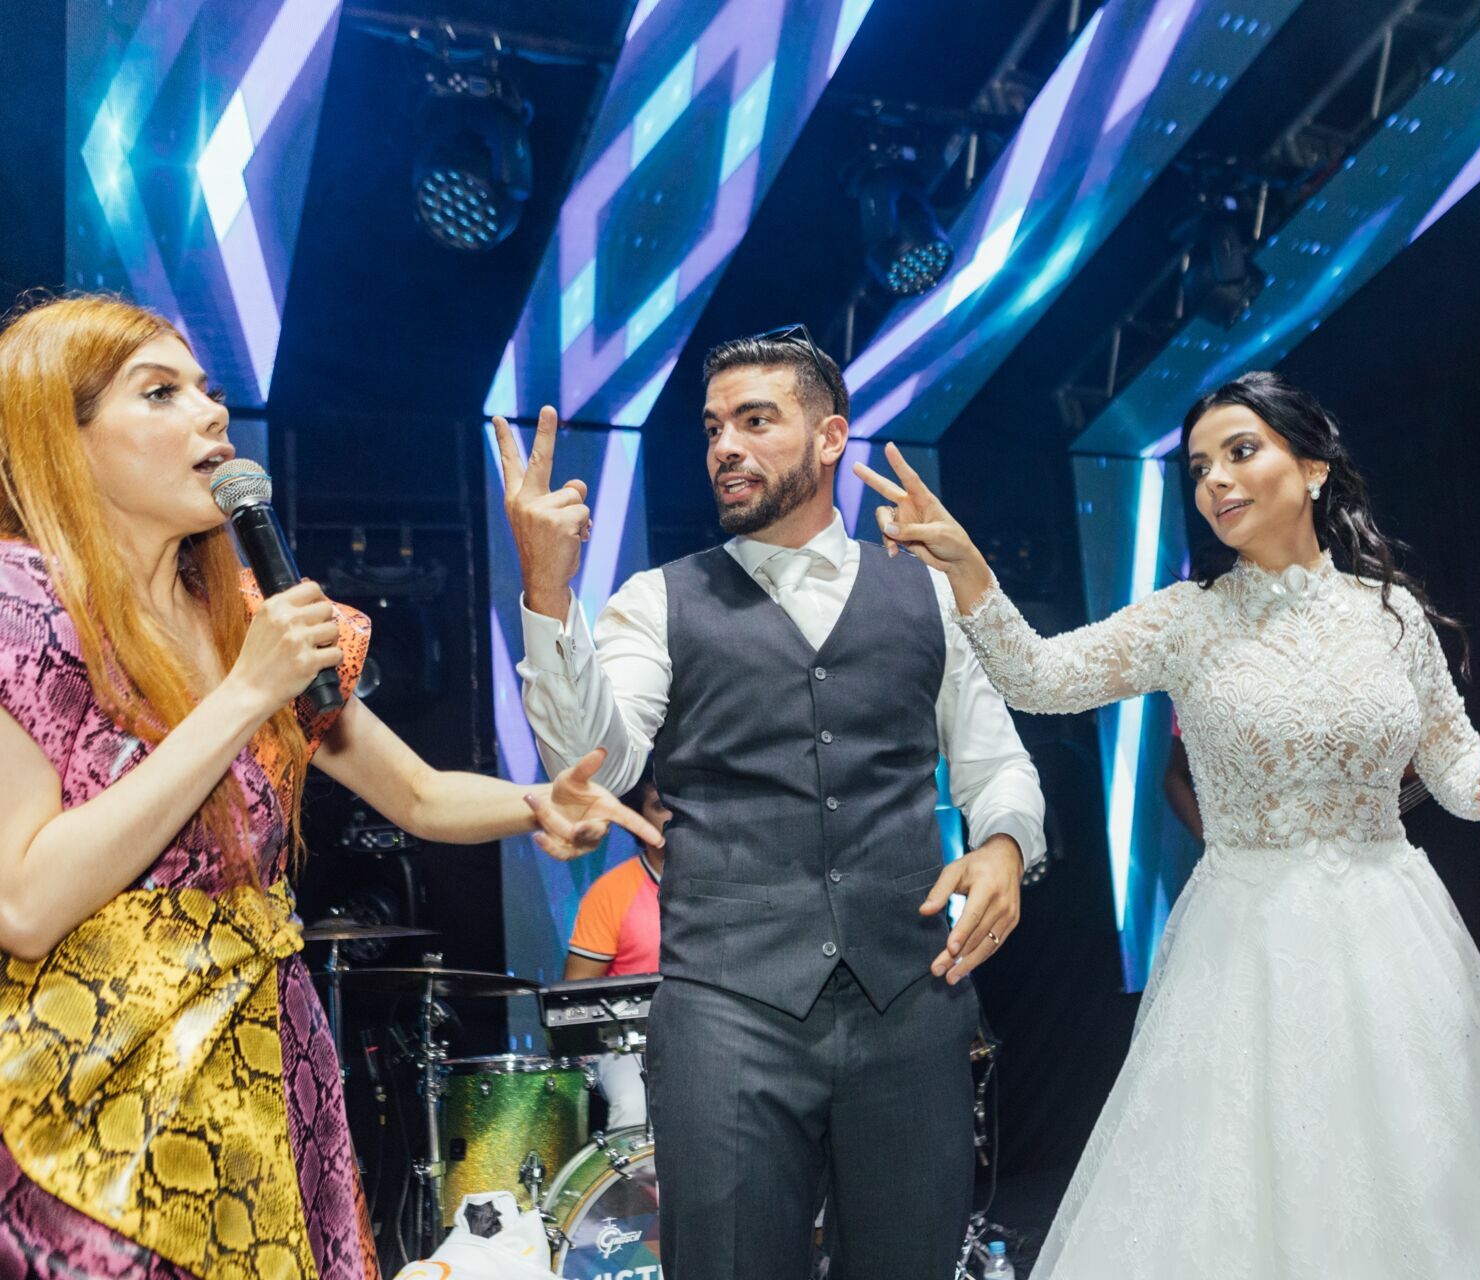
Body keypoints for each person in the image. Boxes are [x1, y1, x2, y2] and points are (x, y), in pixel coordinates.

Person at [854, 371, 1480, 1278]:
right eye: (1199, 467)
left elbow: (1451, 763)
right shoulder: (1190, 619)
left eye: (1241, 452)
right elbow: (1040, 679)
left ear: (1315, 468)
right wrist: (968, 567)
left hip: (1394, 930)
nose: (1215, 480)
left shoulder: (1393, 614)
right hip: (1245, 941)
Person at [0, 296, 657, 1280]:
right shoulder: (22, 609)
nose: (211, 416)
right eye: (161, 392)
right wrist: (243, 693)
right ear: (63, 434)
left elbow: (424, 795)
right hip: (96, 1083)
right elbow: (25, 900)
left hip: (269, 1062)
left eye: (211, 391)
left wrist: (533, 803)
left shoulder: (247, 617)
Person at [495, 326, 1046, 1280]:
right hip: (727, 1015)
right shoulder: (657, 600)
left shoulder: (925, 596)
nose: (725, 448)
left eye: (757, 421)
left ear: (831, 437)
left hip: (912, 1002)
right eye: (713, 428)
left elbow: (999, 764)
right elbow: (592, 754)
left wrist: (1004, 844)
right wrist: (548, 585)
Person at [563, 769, 673, 1129]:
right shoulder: (610, 892)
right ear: (637, 819)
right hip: (627, 1047)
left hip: (713, 1037)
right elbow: (574, 1002)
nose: (674, 814)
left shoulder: (723, 884)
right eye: (660, 806)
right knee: (633, 1104)